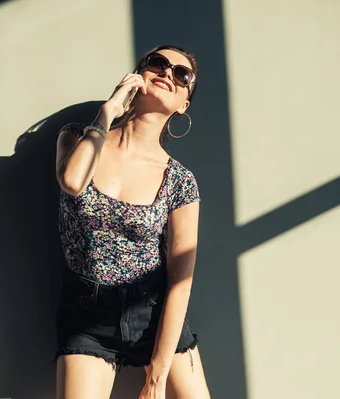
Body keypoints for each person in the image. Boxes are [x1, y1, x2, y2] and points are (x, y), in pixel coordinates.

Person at [54, 45, 211, 398]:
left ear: (184, 105)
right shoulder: (77, 137)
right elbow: (73, 182)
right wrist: (108, 111)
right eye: (158, 63)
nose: (167, 73)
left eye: (181, 74)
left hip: (152, 313)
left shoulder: (180, 182)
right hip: (86, 311)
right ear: (138, 73)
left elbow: (180, 281)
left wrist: (157, 376)